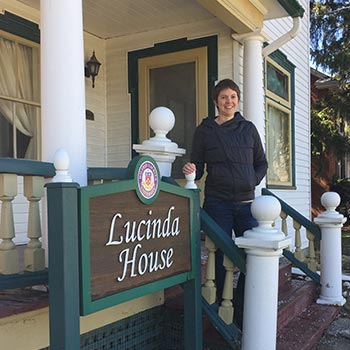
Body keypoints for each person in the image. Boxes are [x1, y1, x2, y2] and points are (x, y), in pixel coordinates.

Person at [182, 78, 268, 329]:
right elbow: (196, 167)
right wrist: (190, 169)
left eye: (232, 96)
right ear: (216, 101)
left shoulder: (248, 128)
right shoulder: (205, 130)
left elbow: (261, 163)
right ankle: (219, 302)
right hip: (217, 202)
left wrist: (250, 179)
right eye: (223, 97)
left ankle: (241, 307)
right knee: (218, 256)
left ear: (237, 100)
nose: (228, 101)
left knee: (251, 257)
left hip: (246, 204)